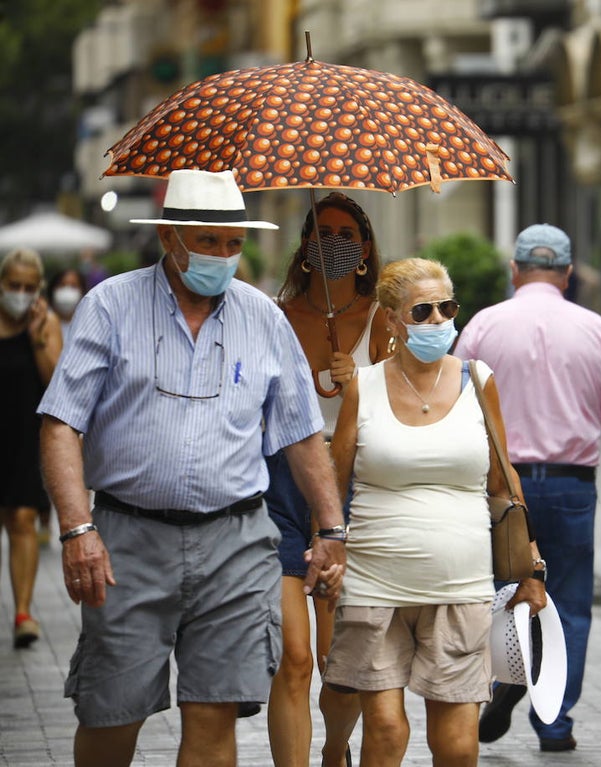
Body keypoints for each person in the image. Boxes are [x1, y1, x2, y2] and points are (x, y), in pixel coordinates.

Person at [37, 169, 348, 767]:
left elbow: (302, 434)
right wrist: (78, 530)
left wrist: (330, 529)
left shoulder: (263, 317)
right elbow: (60, 424)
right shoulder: (110, 305)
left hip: (236, 542)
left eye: (233, 244)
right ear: (168, 239)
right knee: (111, 713)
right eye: (208, 242)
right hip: (128, 541)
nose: (223, 256)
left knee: (215, 715)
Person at [323, 257, 548, 767]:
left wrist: (532, 568)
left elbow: (503, 481)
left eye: (446, 308)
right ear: (392, 320)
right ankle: (334, 750)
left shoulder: (478, 379)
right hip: (374, 581)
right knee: (384, 728)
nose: (438, 321)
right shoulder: (365, 385)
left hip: (461, 583)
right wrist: (325, 546)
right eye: (422, 311)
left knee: (457, 742)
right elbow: (334, 480)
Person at [454, 223, 601, 753]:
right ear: (566, 274)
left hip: (497, 487)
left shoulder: (482, 327)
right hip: (569, 486)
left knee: (496, 595)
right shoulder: (599, 331)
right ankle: (555, 720)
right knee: (568, 603)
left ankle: (503, 681)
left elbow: (455, 405)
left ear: (514, 271)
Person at [268, 192, 392, 767]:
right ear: (304, 245)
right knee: (294, 656)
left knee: (338, 663)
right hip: (283, 485)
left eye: (348, 235)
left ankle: (336, 747)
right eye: (324, 231)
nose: (335, 243)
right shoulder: (274, 314)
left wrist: (362, 381)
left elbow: (406, 400)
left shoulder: (383, 318)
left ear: (365, 249)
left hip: (356, 487)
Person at [1, 247, 63, 648]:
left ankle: (23, 611)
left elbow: (58, 385)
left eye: (28, 287)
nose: (21, 294)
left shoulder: (46, 323)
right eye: (13, 286)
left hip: (25, 435)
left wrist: (40, 339)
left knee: (23, 518)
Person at [36, 267, 88, 545]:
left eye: (73, 284)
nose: (68, 291)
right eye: (63, 284)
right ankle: (47, 518)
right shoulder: (47, 321)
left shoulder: (90, 319)